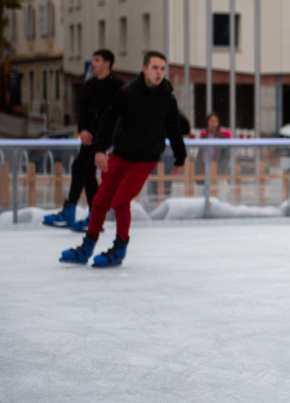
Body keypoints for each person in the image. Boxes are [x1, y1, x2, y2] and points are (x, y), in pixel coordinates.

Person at [60, 52, 187, 268]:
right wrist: (100, 149)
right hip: (120, 154)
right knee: (100, 201)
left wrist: (180, 157)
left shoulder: (167, 99)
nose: (159, 73)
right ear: (144, 69)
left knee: (120, 201)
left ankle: (119, 248)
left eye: (162, 69)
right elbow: (107, 120)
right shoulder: (127, 92)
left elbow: (174, 129)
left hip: (145, 159)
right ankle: (87, 247)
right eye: (155, 67)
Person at [43, 50, 124, 231]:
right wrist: (83, 129)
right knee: (86, 174)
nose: (93, 63)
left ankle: (70, 211)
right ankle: (93, 218)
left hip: (104, 139)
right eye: (93, 59)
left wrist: (105, 139)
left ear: (107, 63)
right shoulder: (89, 85)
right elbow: (81, 111)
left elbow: (117, 116)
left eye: (97, 60)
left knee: (79, 167)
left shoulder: (117, 86)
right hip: (88, 138)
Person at [194, 111, 232, 177]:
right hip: (204, 169)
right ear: (207, 123)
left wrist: (220, 169)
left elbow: (227, 156)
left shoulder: (222, 138)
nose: (214, 124)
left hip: (218, 171)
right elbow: (199, 155)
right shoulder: (203, 138)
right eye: (211, 121)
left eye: (215, 121)